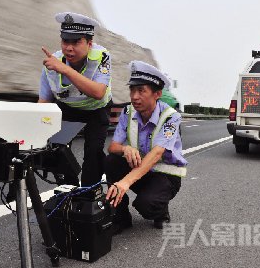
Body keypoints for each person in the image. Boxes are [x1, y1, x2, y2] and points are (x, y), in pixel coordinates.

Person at [105, 61, 187, 231]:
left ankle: (160, 211)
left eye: (141, 91)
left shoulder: (171, 117)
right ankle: (121, 218)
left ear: (157, 93)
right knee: (111, 161)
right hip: (141, 169)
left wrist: (124, 183)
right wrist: (125, 148)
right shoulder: (128, 113)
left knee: (146, 206)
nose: (134, 97)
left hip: (165, 175)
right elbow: (112, 147)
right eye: (132, 90)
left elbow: (157, 153)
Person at [38, 12, 112, 187]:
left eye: (76, 42)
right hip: (67, 109)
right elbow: (44, 102)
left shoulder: (102, 57)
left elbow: (98, 92)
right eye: (65, 41)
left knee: (93, 152)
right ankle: (69, 191)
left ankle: (88, 193)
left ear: (89, 43)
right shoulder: (52, 62)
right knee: (56, 149)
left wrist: (64, 69)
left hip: (97, 109)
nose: (69, 48)